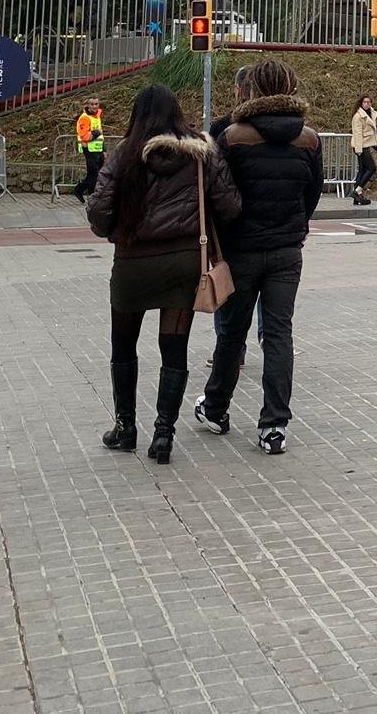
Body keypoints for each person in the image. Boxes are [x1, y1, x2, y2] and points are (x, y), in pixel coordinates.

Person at [87, 84, 242, 463]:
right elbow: (230, 205)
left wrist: (117, 232)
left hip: (132, 263)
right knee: (174, 348)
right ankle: (163, 434)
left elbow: (98, 212)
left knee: (123, 344)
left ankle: (125, 428)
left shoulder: (124, 154)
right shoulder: (203, 154)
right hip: (183, 262)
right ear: (176, 112)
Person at [196, 58, 322, 456]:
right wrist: (294, 225)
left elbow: (218, 195)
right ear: (290, 85)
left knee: (232, 332)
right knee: (279, 333)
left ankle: (216, 408)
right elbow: (312, 194)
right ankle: (274, 425)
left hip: (241, 249)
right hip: (287, 251)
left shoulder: (232, 137)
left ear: (252, 89)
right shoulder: (309, 139)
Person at [72, 99, 107, 202]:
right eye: (92, 104)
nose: (95, 106)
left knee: (96, 174)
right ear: (88, 105)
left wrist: (104, 150)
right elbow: (85, 136)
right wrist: (96, 132)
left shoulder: (97, 116)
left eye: (96, 104)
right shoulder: (84, 118)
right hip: (89, 149)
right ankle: (88, 194)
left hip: (98, 149)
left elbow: (101, 135)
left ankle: (83, 191)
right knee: (93, 174)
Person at [350, 95, 377, 205]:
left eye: (369, 102)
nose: (367, 104)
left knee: (362, 170)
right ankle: (357, 191)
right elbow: (357, 134)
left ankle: (357, 197)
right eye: (365, 102)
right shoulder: (358, 116)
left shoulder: (371, 113)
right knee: (371, 168)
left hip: (365, 145)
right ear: (361, 103)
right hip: (360, 146)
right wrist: (359, 149)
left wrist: (374, 143)